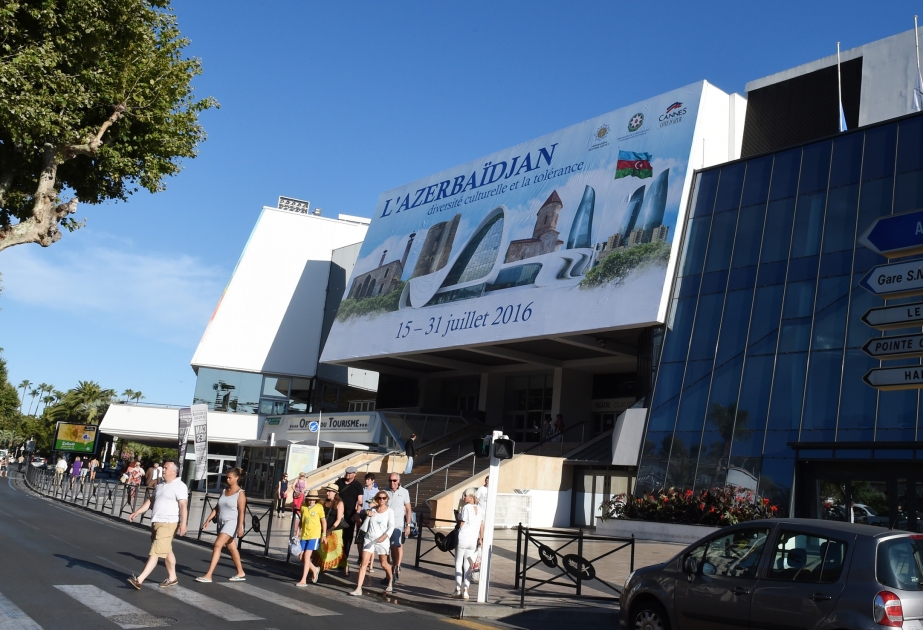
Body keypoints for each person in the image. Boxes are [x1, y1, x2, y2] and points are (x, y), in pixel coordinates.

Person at [127, 459, 188, 589]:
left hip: (169, 523)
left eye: (166, 468)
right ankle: (172, 577)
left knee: (154, 552)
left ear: (174, 471)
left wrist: (183, 523)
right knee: (166, 550)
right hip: (156, 522)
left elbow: (183, 505)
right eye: (163, 467)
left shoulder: (180, 486)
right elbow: (151, 500)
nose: (163, 470)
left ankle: (139, 580)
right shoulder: (161, 484)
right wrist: (137, 512)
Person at [196, 467, 247, 583]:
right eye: (226, 478)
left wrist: (240, 527)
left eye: (230, 478)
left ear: (236, 478)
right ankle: (240, 572)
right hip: (221, 523)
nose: (227, 480)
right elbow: (217, 507)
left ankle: (209, 575)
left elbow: (241, 512)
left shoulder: (240, 494)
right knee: (231, 548)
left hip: (232, 522)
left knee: (217, 545)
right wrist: (208, 520)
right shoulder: (224, 491)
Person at [349, 490, 395, 596]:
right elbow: (365, 521)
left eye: (384, 498)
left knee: (384, 564)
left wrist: (384, 536)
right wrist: (367, 514)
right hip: (369, 539)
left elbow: (391, 526)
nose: (381, 500)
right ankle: (358, 588)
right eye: (379, 498)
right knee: (364, 563)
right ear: (376, 499)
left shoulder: (390, 511)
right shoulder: (372, 510)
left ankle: (391, 579)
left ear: (387, 499)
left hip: (382, 540)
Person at [452, 488, 485, 599]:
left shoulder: (466, 507)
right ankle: (466, 590)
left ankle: (457, 589)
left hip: (463, 537)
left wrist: (457, 518)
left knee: (458, 563)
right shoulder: (480, 509)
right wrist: (480, 539)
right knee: (468, 565)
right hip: (473, 540)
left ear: (471, 497)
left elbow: (462, 523)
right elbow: (481, 526)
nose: (463, 497)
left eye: (465, 495)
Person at [383, 473, 412, 584]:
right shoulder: (384, 492)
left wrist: (408, 525)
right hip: (386, 525)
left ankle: (396, 567)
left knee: (396, 546)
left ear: (398, 481)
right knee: (386, 550)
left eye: (394, 480)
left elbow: (408, 509)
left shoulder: (404, 492)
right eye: (390, 480)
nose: (392, 483)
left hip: (398, 525)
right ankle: (388, 575)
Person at [313, 484, 347, 574]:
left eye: (329, 491)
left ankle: (345, 566)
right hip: (325, 528)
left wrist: (331, 529)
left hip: (336, 530)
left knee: (337, 550)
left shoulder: (340, 503)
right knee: (322, 548)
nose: (327, 493)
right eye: (327, 491)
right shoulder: (325, 502)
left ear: (335, 493)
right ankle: (321, 566)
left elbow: (339, 519)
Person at [294, 491, 326, 587]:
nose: (311, 501)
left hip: (314, 535)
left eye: (313, 499)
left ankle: (303, 580)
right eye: (310, 499)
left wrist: (324, 534)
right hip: (304, 535)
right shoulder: (303, 507)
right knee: (301, 557)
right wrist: (297, 532)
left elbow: (323, 521)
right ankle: (315, 569)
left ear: (316, 500)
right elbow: (301, 521)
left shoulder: (319, 507)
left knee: (307, 556)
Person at [336, 466, 363, 570]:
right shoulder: (339, 482)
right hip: (337, 513)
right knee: (335, 536)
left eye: (350, 473)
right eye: (347, 473)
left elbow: (360, 501)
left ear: (354, 474)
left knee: (347, 538)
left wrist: (357, 513)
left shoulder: (358, 486)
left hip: (349, 516)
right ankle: (333, 558)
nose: (347, 474)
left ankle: (343, 559)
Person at [358, 472, 379, 573]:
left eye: (368, 479)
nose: (366, 481)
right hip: (362, 514)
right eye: (366, 479)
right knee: (360, 537)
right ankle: (361, 558)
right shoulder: (362, 490)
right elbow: (358, 502)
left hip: (371, 515)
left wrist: (373, 505)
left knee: (371, 538)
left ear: (373, 481)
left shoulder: (376, 491)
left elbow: (378, 503)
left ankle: (371, 565)